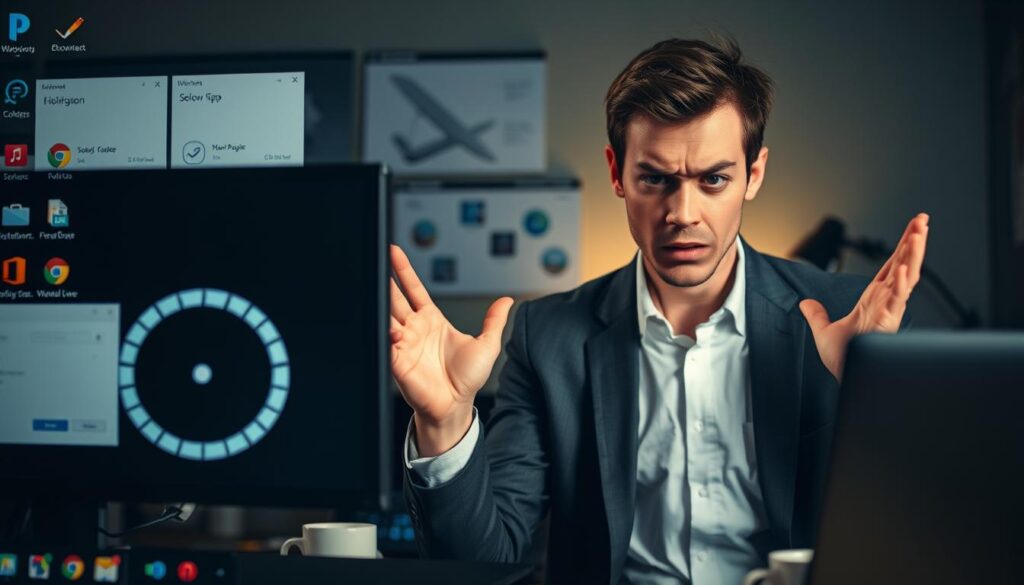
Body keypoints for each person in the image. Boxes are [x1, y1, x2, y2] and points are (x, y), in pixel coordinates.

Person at [388, 37, 929, 585]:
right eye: (655, 179)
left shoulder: (847, 319)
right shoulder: (547, 338)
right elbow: (485, 562)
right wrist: (446, 420)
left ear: (755, 174)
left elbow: (930, 537)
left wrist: (873, 398)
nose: (682, 213)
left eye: (713, 179)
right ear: (618, 174)